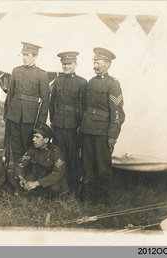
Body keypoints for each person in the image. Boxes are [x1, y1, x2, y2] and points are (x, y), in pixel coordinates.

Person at [80, 47, 125, 201]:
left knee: (103, 166)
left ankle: (103, 198)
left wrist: (112, 135)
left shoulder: (113, 84)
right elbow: (85, 107)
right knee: (88, 163)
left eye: (98, 62)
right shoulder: (91, 82)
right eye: (94, 62)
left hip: (103, 132)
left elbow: (117, 112)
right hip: (88, 130)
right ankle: (89, 195)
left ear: (107, 64)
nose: (95, 65)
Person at [4, 42, 50, 192]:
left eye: (27, 55)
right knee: (16, 148)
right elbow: (10, 95)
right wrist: (7, 115)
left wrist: (40, 125)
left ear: (35, 56)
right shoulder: (16, 71)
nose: (24, 58)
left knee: (28, 148)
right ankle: (17, 178)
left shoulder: (42, 75)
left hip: (31, 119)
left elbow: (45, 101)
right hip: (14, 115)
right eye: (23, 55)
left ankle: (29, 179)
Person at [49, 51, 87, 194]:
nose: (66, 67)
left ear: (75, 64)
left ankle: (73, 188)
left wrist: (80, 125)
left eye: (69, 64)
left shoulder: (82, 83)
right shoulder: (57, 81)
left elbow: (84, 106)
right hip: (59, 125)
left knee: (73, 157)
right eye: (64, 64)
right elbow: (52, 103)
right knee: (59, 155)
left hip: (73, 126)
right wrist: (53, 120)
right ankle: (60, 186)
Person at [14, 122, 68, 197]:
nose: (33, 139)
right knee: (15, 176)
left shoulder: (55, 152)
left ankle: (35, 193)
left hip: (49, 181)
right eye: (33, 136)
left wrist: (36, 183)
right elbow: (20, 164)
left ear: (46, 140)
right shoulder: (33, 149)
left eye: (37, 137)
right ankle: (34, 193)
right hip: (37, 177)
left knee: (54, 188)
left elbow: (56, 174)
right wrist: (21, 178)